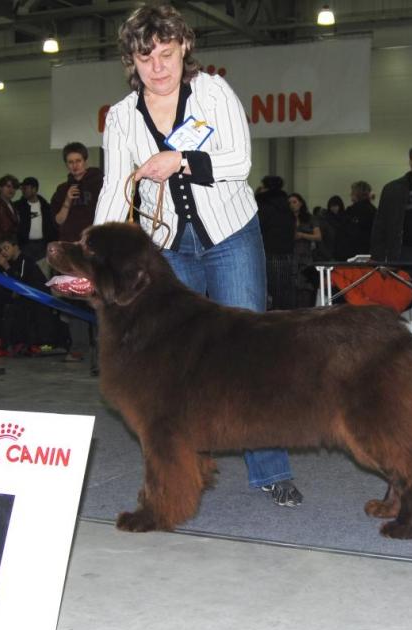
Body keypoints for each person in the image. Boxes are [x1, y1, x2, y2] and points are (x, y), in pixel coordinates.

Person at [94, 3, 302, 508]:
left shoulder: (212, 91)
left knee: (250, 354)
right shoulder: (121, 118)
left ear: (184, 48)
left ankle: (271, 470)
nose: (158, 67)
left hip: (231, 235)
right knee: (173, 364)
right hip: (166, 249)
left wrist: (181, 159)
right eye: (146, 59)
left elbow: (240, 161)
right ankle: (184, 469)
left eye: (166, 54)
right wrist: (92, 251)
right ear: (132, 62)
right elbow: (115, 187)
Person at [50, 142, 103, 362]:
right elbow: (58, 220)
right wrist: (67, 202)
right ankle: (79, 346)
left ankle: (102, 349)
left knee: (100, 298)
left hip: (95, 250)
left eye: (78, 161)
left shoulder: (101, 182)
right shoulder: (63, 189)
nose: (74, 166)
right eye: (70, 162)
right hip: (71, 252)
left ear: (85, 160)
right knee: (74, 298)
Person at [0, 236, 66, 355]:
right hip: (27, 298)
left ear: (15, 247)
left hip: (39, 296)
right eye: (1, 249)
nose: (3, 252)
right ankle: (18, 343)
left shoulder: (24, 260)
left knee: (35, 316)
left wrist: (6, 267)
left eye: (6, 248)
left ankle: (45, 344)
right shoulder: (12, 263)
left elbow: (20, 282)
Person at [256, 175, 296, 309]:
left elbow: (258, 229)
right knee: (284, 293)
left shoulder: (262, 206)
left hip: (268, 254)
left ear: (266, 188)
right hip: (288, 255)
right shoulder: (287, 207)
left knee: (266, 292)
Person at [289, 192, 321, 308]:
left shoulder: (310, 218)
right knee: (292, 286)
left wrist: (302, 235)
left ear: (301, 203)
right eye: (290, 203)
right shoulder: (286, 219)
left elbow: (318, 236)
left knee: (306, 287)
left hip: (306, 256)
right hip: (291, 256)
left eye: (294, 202)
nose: (292, 205)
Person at [15, 176, 57, 262]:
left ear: (34, 189)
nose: (23, 191)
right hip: (25, 245)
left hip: (43, 245)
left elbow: (52, 226)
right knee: (26, 271)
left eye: (25, 188)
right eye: (22, 188)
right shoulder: (18, 206)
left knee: (43, 270)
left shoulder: (46, 207)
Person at [337, 180, 377, 260]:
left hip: (353, 254)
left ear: (357, 194)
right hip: (371, 253)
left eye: (352, 192)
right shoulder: (374, 211)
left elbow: (344, 234)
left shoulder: (351, 211)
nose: (350, 194)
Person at [316, 195, 345, 261]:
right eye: (332, 206)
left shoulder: (345, 219)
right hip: (328, 255)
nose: (334, 208)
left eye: (336, 206)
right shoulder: (325, 221)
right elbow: (321, 242)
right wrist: (328, 256)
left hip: (342, 254)